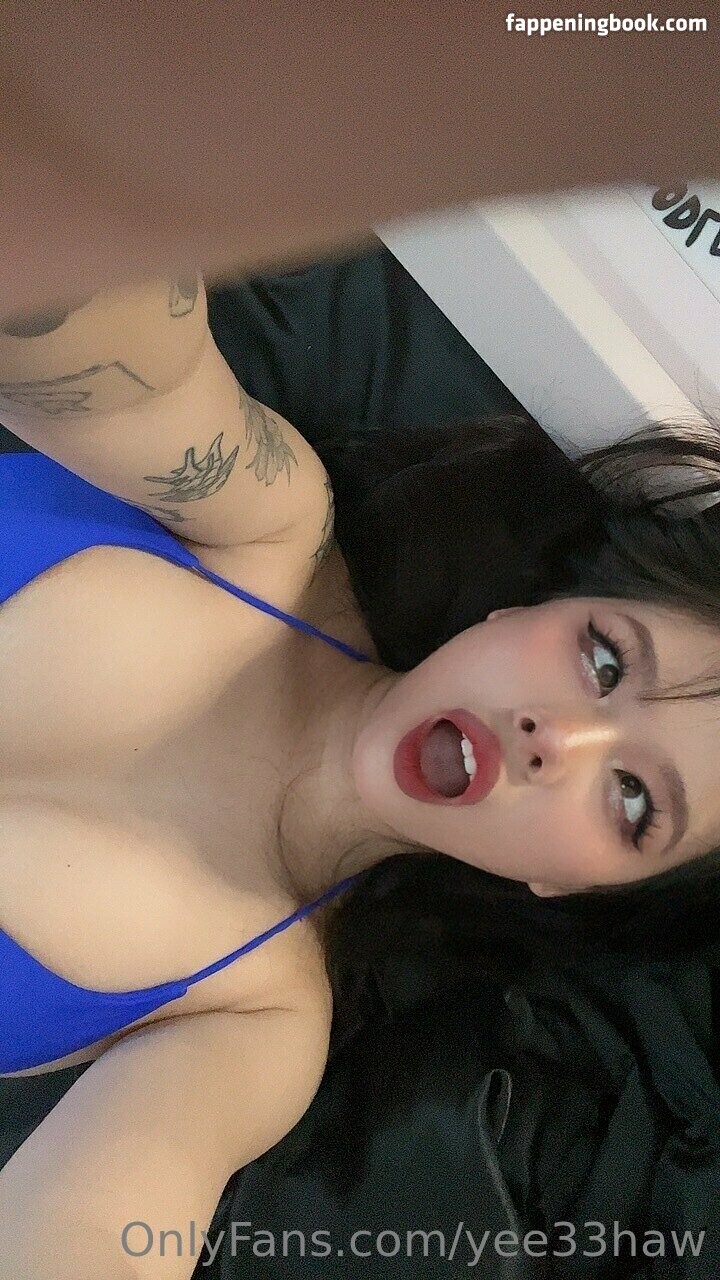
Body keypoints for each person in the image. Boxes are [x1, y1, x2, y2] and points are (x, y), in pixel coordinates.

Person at [0, 266, 720, 1278]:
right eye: (605, 661)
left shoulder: (257, 1026)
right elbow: (98, 343)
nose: (560, 740)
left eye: (634, 799)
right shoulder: (266, 521)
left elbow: (92, 1222)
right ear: (523, 612)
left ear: (572, 884)